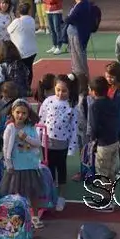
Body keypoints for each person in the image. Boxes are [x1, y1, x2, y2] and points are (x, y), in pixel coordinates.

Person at [0, 98, 46, 230]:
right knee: (16, 194)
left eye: (24, 113)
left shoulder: (30, 127)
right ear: (12, 112)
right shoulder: (10, 128)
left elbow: (38, 143)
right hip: (16, 166)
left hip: (30, 165)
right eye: (18, 112)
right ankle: (16, 218)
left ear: (28, 114)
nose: (20, 115)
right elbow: (5, 148)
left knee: (33, 193)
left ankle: (35, 217)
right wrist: (9, 165)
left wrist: (26, 137)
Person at [37, 75, 78, 211]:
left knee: (61, 170)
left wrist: (72, 147)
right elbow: (41, 120)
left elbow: (74, 128)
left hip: (62, 144)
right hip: (46, 142)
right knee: (48, 169)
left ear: (70, 90)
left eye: (64, 91)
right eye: (58, 90)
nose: (60, 93)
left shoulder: (72, 106)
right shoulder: (48, 101)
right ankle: (50, 195)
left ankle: (61, 197)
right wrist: (38, 137)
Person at [87, 76, 119, 210]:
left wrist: (92, 140)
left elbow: (94, 126)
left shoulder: (94, 106)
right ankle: (111, 198)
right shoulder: (112, 102)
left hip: (103, 144)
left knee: (102, 173)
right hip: (114, 141)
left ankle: (105, 201)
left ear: (94, 91)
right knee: (111, 172)